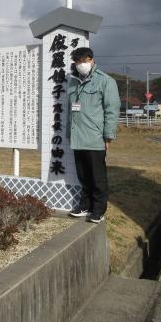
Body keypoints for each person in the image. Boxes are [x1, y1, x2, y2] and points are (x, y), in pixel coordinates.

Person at [66, 47, 120, 223]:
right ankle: (85, 206)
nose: (82, 64)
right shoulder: (72, 81)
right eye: (78, 61)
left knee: (97, 177)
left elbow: (111, 110)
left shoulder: (105, 81)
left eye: (85, 60)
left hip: (95, 138)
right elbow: (70, 110)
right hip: (77, 137)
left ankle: (98, 210)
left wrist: (108, 136)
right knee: (83, 176)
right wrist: (69, 133)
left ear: (92, 60)